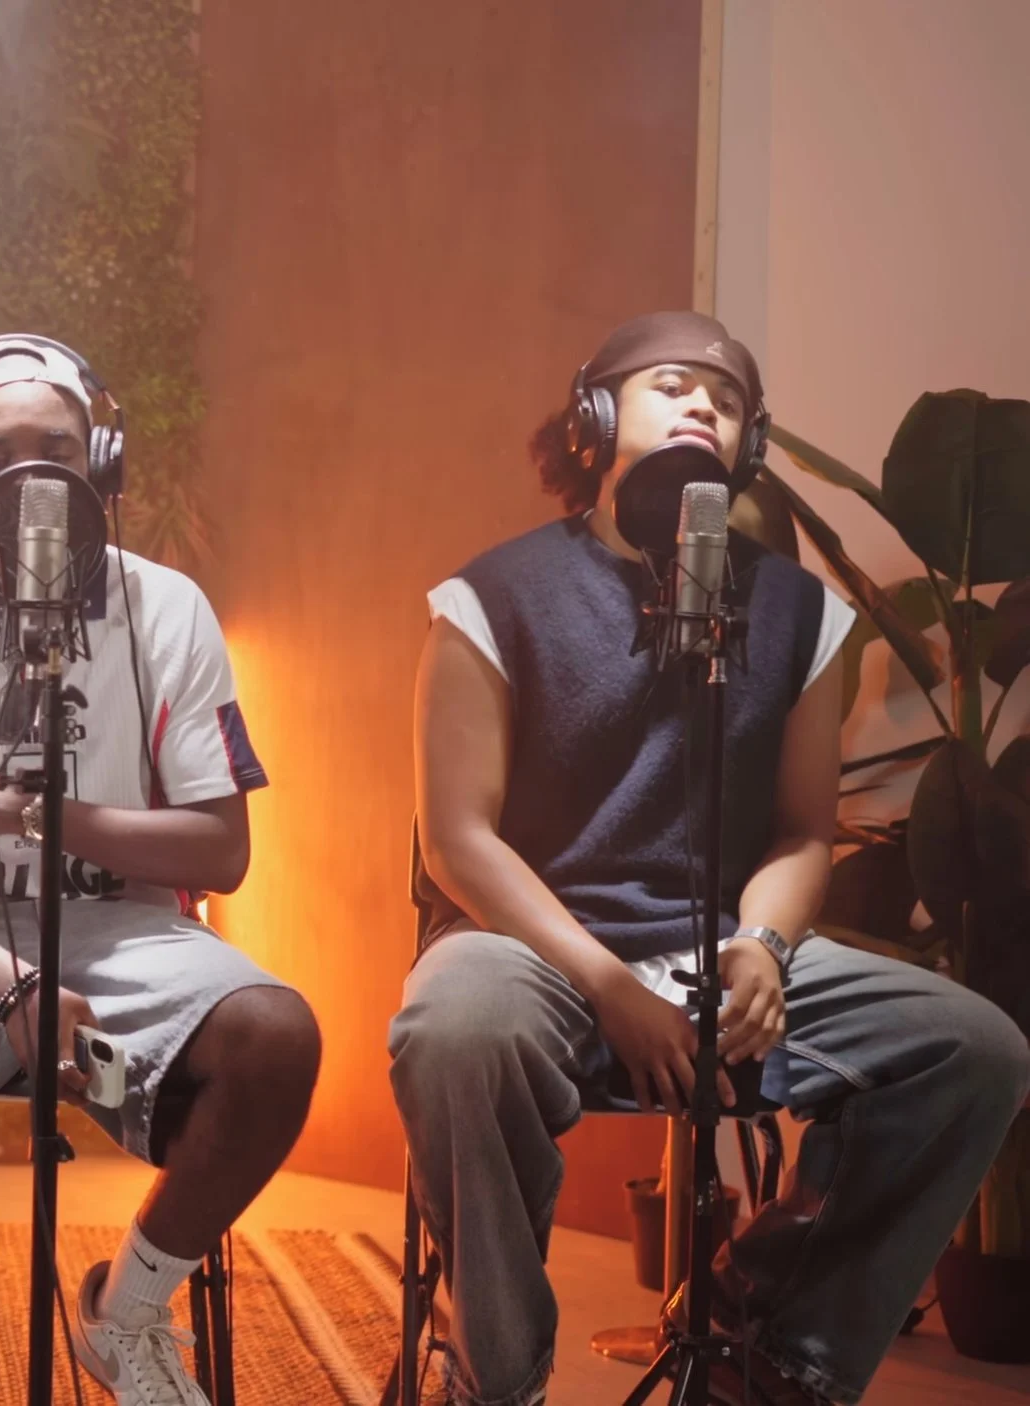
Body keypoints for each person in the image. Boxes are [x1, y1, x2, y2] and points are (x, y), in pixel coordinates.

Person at [390, 310, 1030, 1405]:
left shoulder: (797, 611)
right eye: (672, 384)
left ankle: (762, 1347)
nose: (703, 405)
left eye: (726, 400)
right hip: (532, 950)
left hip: (715, 952)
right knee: (451, 1025)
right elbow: (459, 838)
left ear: (750, 444)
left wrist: (765, 945)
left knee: (972, 1048)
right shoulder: (488, 598)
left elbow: (800, 830)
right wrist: (602, 980)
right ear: (590, 420)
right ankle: (491, 1376)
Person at [0, 335, 320, 1406]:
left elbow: (220, 848)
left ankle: (126, 1305)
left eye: (60, 450)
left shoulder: (165, 608)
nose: (32, 478)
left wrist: (33, 813)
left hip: (132, 933)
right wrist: (7, 974)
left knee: (278, 1033)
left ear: (103, 465)